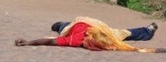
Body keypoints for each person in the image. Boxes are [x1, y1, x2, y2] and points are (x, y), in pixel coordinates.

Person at [14, 16, 162, 52]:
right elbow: (50, 41)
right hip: (82, 23)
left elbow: (50, 41)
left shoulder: (77, 38)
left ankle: (147, 31)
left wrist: (29, 42)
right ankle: (147, 31)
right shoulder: (79, 37)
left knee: (62, 27)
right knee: (123, 33)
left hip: (85, 22)